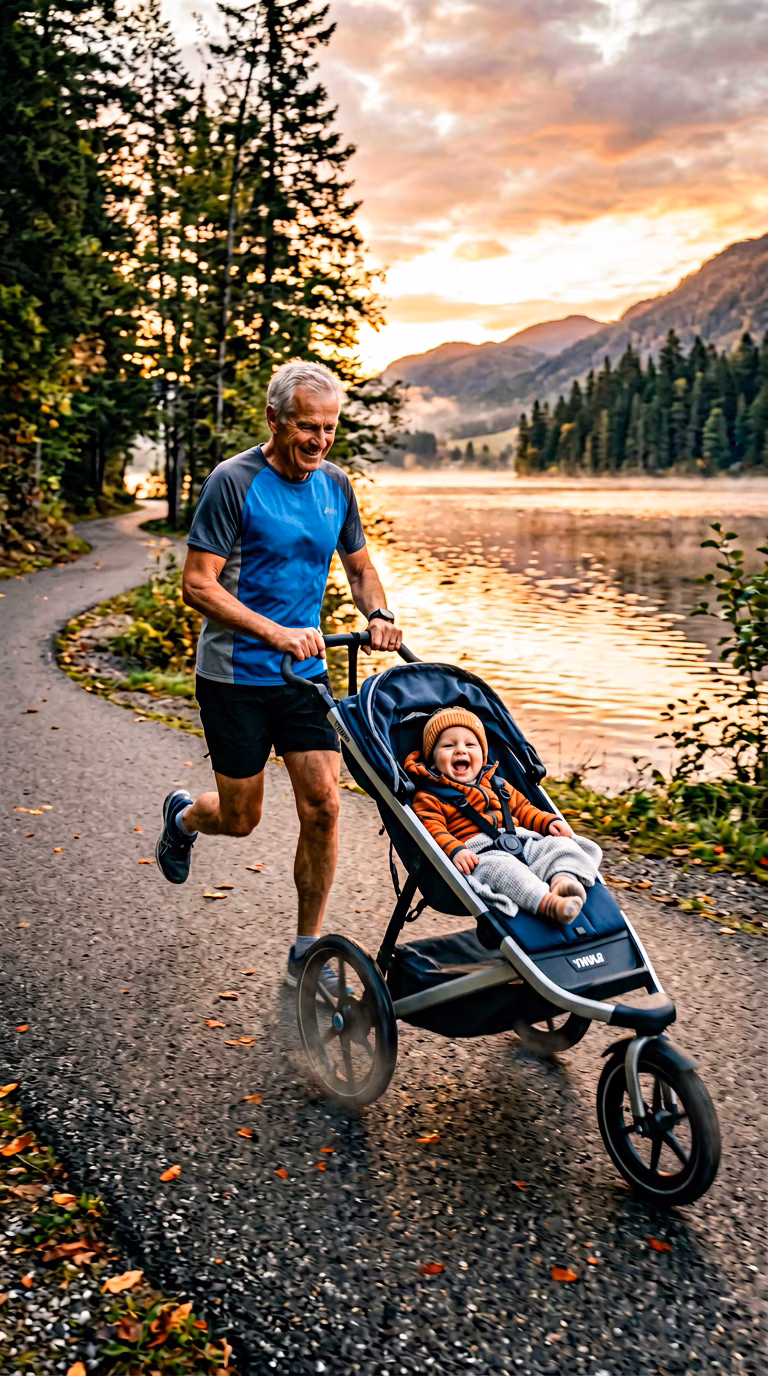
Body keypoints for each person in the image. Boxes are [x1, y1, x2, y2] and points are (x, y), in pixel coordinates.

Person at [155, 359, 402, 985]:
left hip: (304, 676)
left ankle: (306, 949)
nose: (319, 440)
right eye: (306, 427)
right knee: (241, 818)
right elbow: (196, 584)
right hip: (234, 675)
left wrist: (378, 612)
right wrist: (274, 631)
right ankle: (185, 817)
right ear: (274, 418)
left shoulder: (337, 486)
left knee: (323, 805)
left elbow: (359, 568)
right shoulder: (232, 482)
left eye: (329, 427)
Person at [405, 708, 602, 924]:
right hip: (479, 854)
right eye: (448, 745)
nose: (460, 751)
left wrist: (548, 821)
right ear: (432, 759)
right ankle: (548, 904)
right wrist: (455, 850)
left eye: (470, 745)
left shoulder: (498, 784)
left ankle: (562, 880)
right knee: (505, 872)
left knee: (564, 846)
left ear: (482, 755)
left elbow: (524, 810)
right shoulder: (429, 796)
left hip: (520, 840)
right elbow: (433, 830)